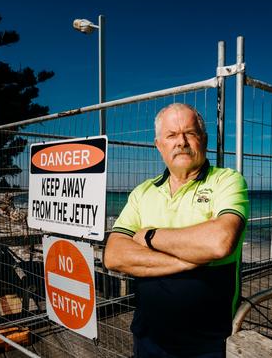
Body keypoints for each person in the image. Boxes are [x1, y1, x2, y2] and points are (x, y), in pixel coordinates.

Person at [104, 103, 249, 357]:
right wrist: (191, 260)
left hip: (210, 344)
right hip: (148, 338)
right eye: (171, 135)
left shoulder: (226, 180)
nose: (181, 141)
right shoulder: (143, 192)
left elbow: (220, 242)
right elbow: (114, 255)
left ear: (203, 140)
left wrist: (149, 236)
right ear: (159, 145)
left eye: (190, 133)